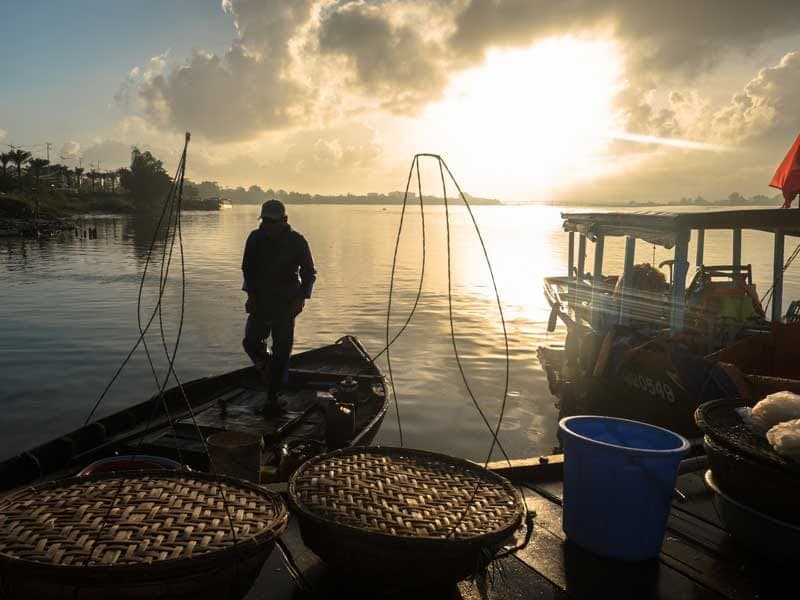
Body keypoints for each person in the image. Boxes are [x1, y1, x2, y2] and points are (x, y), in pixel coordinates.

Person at [242, 199, 316, 412]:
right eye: (264, 221)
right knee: (251, 342)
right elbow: (247, 268)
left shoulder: (297, 241)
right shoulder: (255, 238)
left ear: (284, 220)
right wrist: (250, 296)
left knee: (282, 350)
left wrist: (301, 299)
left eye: (272, 222)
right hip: (261, 299)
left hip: (287, 302)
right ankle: (266, 366)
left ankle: (273, 395)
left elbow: (309, 273)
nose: (267, 226)